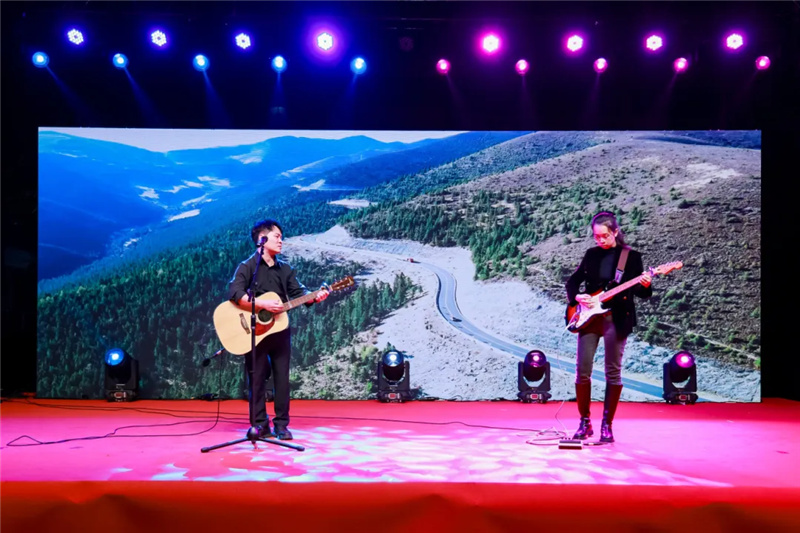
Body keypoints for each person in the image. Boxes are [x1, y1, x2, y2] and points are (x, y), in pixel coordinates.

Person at [227, 218, 329, 440]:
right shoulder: (248, 267)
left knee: (282, 379)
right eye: (277, 236)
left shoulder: (286, 269)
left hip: (280, 332)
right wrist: (261, 304)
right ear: (262, 239)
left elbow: (299, 294)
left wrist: (315, 297)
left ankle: (282, 425)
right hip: (254, 333)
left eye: (281, 237)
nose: (281, 241)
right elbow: (235, 293)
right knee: (256, 379)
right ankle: (259, 425)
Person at [565, 211, 652, 443]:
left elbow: (642, 293)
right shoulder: (591, 254)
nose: (600, 240)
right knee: (582, 371)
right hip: (589, 319)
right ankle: (584, 422)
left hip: (617, 318)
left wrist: (646, 284)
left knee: (613, 372)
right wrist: (577, 298)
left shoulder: (631, 257)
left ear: (615, 232)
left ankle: (607, 425)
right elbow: (573, 281)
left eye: (605, 236)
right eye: (596, 236)